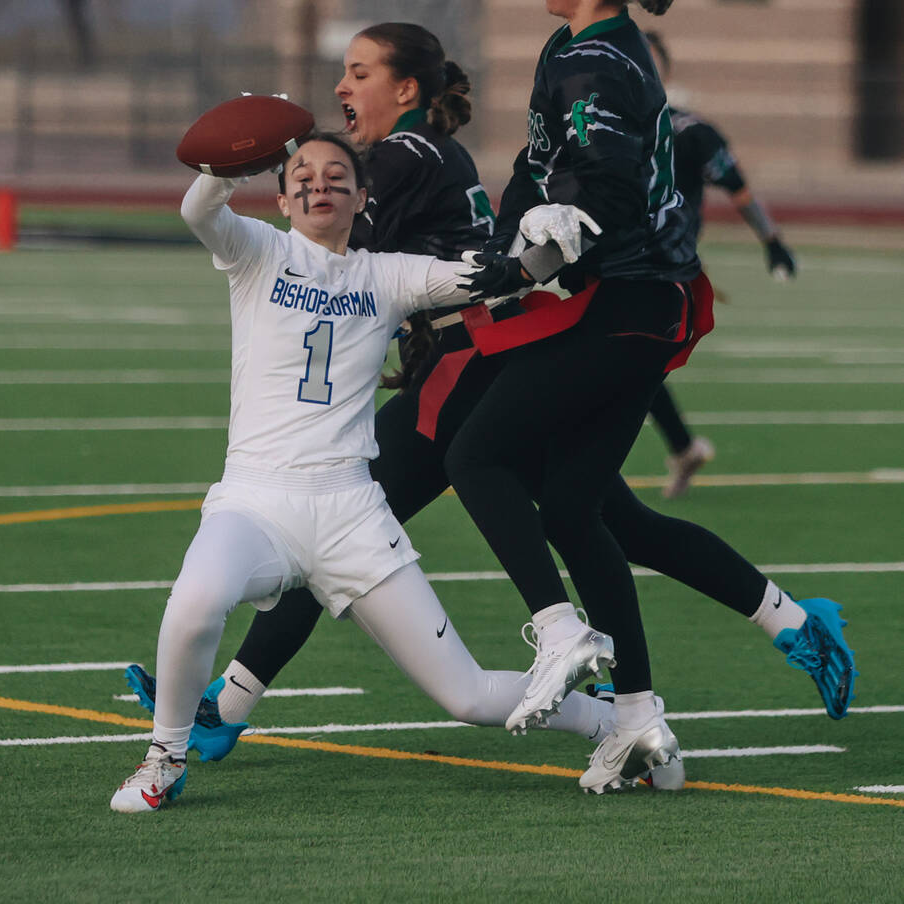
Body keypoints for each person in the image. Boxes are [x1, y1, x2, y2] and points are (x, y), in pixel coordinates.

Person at [444, 0, 856, 793]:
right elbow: (536, 169)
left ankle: (560, 630)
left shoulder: (595, 59)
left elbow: (606, 193)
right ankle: (653, 707)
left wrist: (542, 247)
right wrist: (498, 248)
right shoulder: (575, 49)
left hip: (624, 307)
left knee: (476, 452)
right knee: (585, 510)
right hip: (628, 305)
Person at [110, 132, 619, 813]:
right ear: (285, 196)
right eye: (303, 177)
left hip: (351, 513)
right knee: (195, 603)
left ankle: (611, 722)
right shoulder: (259, 251)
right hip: (257, 501)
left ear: (362, 195)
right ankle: (164, 758)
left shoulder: (387, 274)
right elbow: (199, 213)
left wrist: (552, 238)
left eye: (336, 176)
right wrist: (224, 167)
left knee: (464, 695)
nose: (319, 186)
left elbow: (502, 277)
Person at [642, 30, 798, 498]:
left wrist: (772, 239)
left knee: (619, 365)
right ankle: (684, 448)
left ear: (663, 71)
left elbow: (738, 188)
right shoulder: (602, 129)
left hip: (665, 272)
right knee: (634, 369)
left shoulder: (690, 131)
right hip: (616, 269)